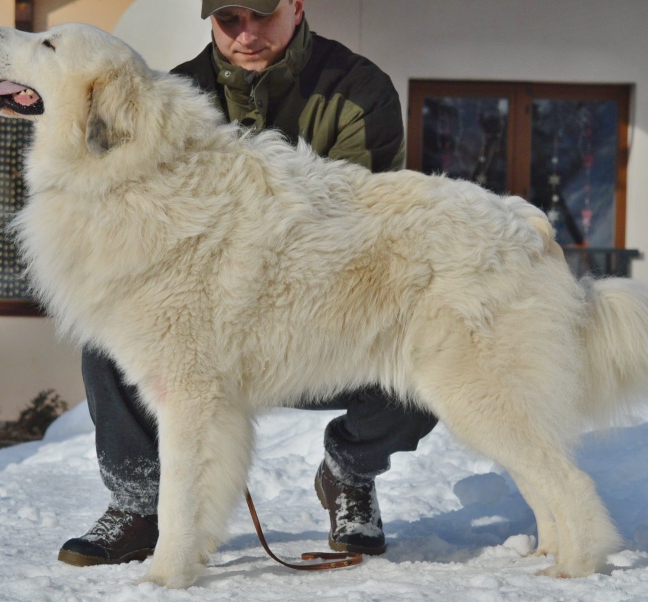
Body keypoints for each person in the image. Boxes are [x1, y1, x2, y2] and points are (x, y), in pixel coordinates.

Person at [58, 0, 438, 567]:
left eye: (261, 16)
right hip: (206, 317)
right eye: (228, 20)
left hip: (322, 317)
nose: (245, 34)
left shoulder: (360, 89)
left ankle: (350, 472)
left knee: (425, 355)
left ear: (297, 6)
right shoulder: (176, 90)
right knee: (111, 339)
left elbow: (357, 215)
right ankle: (139, 504)